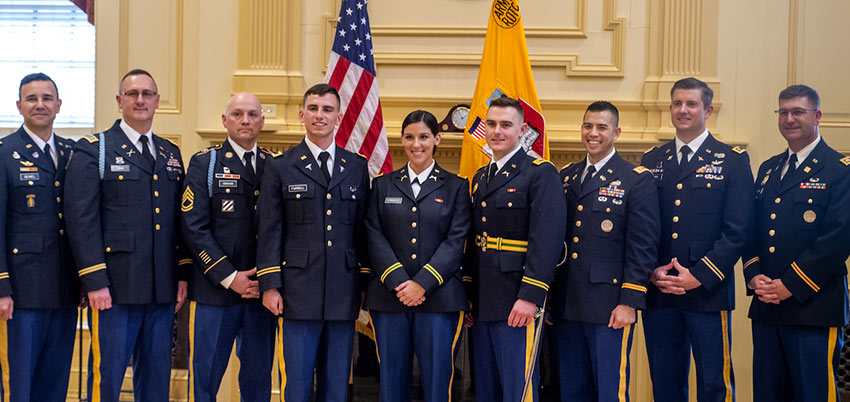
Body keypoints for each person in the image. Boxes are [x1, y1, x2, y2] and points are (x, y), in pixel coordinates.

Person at [65, 69, 190, 402]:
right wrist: (94, 281)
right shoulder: (96, 149)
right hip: (115, 289)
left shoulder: (169, 153)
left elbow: (179, 222)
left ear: (157, 101)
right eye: (132, 94)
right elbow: (82, 220)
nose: (140, 100)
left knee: (156, 376)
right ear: (119, 100)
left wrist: (181, 274)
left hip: (161, 288)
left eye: (147, 94)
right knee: (107, 377)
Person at [640, 77, 754, 402]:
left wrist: (699, 276)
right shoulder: (652, 161)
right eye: (677, 103)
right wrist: (651, 270)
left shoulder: (732, 161)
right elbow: (643, 228)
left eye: (691, 104)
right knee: (664, 383)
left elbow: (738, 230)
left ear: (708, 109)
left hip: (707, 293)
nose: (683, 110)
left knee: (714, 385)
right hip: (660, 292)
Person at [256, 83, 370, 402]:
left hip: (343, 290)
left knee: (336, 384)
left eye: (328, 109)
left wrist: (364, 284)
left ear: (339, 117)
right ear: (302, 114)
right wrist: (270, 285)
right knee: (297, 383)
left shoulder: (356, 167)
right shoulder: (280, 165)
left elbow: (363, 231)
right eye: (315, 109)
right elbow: (269, 228)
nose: (320, 115)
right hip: (296, 291)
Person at [743, 85, 850, 401]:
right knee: (768, 394)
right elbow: (752, 230)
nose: (789, 119)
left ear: (817, 116)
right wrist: (754, 274)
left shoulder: (839, 170)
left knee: (813, 394)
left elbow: (838, 237)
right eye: (783, 112)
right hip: (767, 307)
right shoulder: (769, 169)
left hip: (814, 307)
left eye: (798, 112)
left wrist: (791, 283)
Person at [552, 101, 659, 401]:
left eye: (601, 127)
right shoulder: (567, 176)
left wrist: (630, 300)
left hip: (609, 305)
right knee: (571, 390)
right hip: (567, 303)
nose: (593, 133)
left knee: (610, 391)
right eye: (588, 126)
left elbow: (643, 246)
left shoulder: (635, 179)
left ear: (616, 132)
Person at [465, 96, 566, 402]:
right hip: (483, 300)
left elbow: (547, 241)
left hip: (516, 298)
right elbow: (475, 240)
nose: (497, 131)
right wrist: (469, 293)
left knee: (518, 389)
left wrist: (530, 296)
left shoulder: (539, 172)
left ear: (522, 129)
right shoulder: (481, 176)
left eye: (506, 125)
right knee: (487, 388)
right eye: (492, 124)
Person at [364, 110, 470, 402]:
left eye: (424, 137)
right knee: (391, 381)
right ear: (402, 140)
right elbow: (374, 235)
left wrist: (422, 283)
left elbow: (456, 240)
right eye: (409, 137)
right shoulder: (382, 185)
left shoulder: (456, 186)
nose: (416, 144)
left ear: (437, 139)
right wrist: (401, 282)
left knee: (438, 383)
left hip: (440, 299)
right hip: (390, 297)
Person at [181, 92, 276, 401]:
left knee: (258, 379)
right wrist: (230, 277)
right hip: (215, 291)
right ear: (225, 120)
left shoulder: (272, 166)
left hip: (259, 294)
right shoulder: (206, 164)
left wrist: (267, 279)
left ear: (262, 121)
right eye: (237, 114)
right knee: (206, 377)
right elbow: (193, 227)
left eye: (252, 115)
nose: (245, 120)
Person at [0, 73, 78, 401]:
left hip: (64, 292)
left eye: (47, 98)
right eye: (32, 99)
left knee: (55, 383)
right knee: (19, 385)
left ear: (59, 106)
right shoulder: (5, 153)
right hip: (21, 294)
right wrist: (2, 287)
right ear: (19, 106)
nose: (40, 105)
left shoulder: (74, 153)